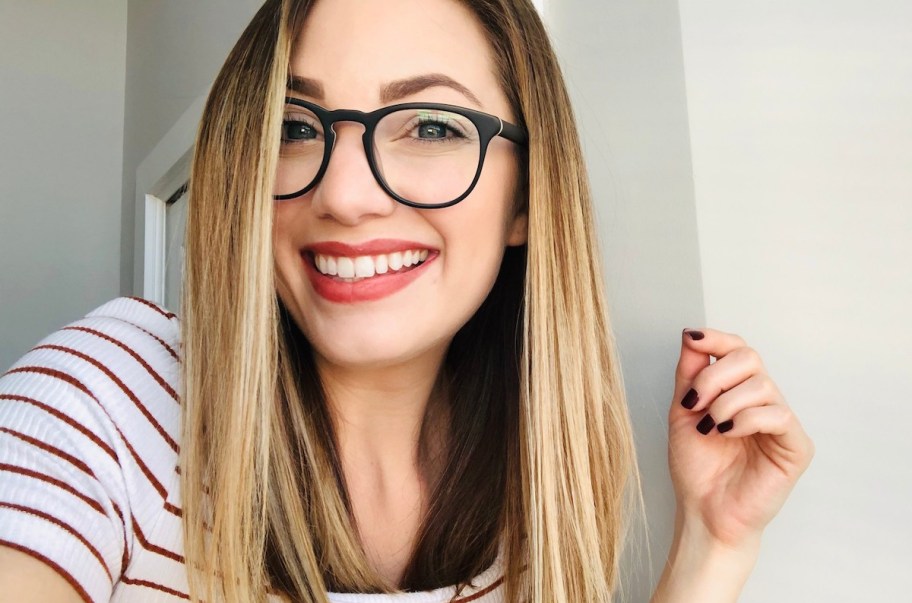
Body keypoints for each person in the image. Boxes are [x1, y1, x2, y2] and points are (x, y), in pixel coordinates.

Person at [0, 0, 814, 601]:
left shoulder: (529, 494)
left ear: (527, 197)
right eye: (294, 126)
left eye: (430, 126)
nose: (346, 196)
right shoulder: (116, 398)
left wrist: (713, 543)